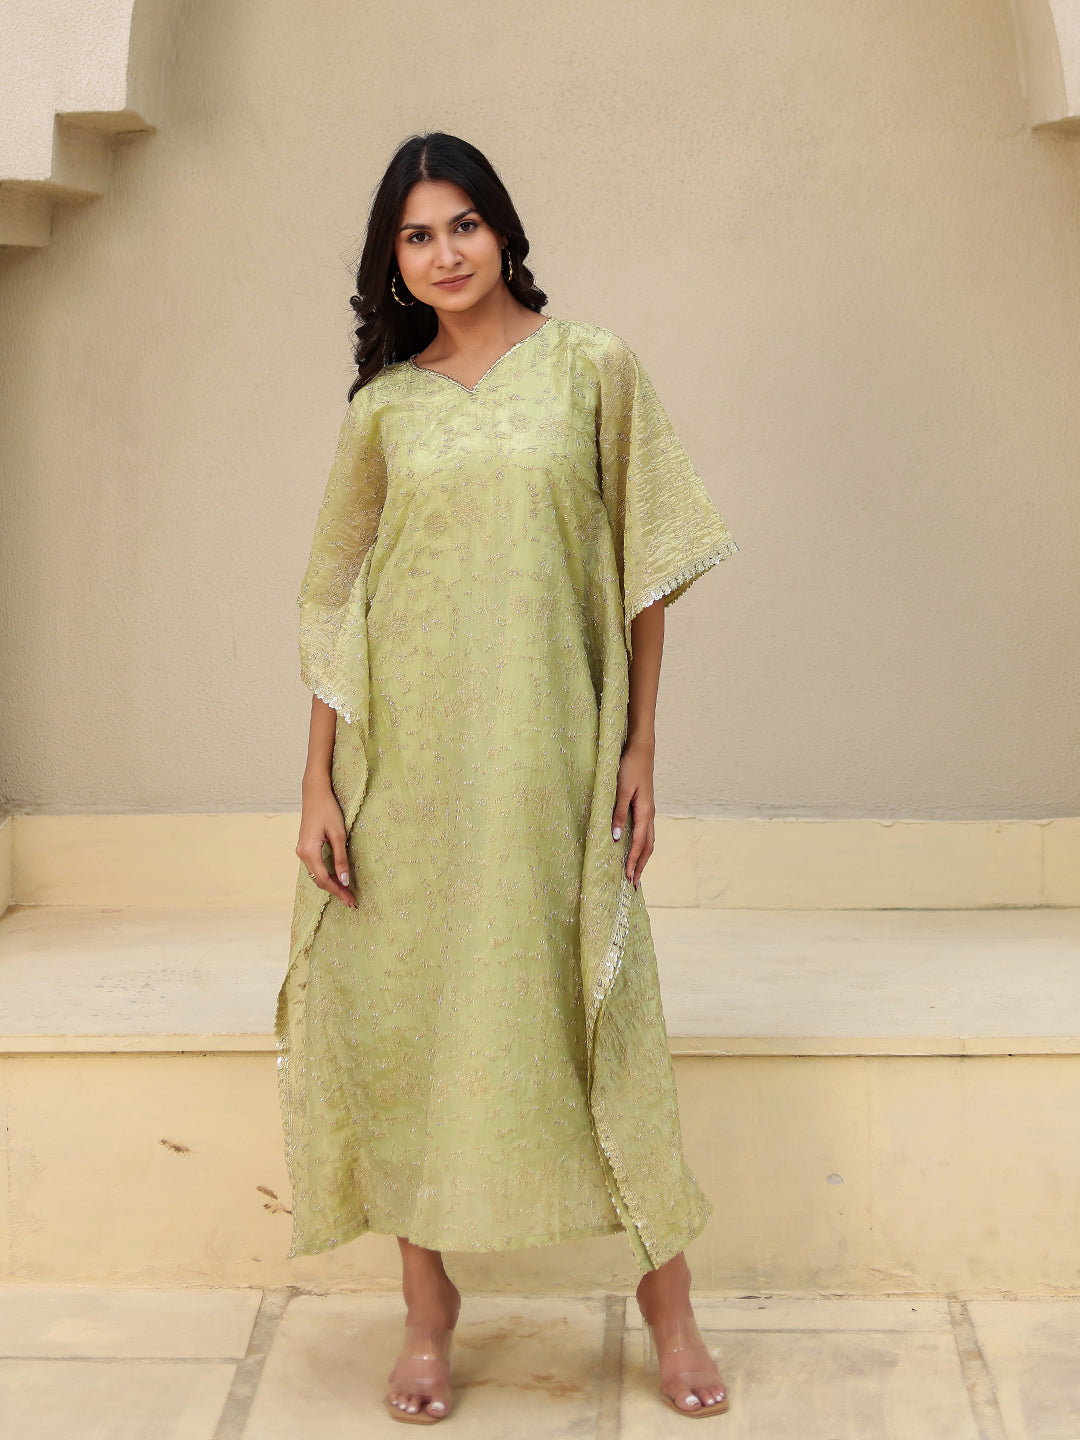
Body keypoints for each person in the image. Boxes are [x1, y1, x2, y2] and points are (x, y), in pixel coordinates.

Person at [278, 131, 740, 1425]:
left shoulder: (593, 368)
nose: (446, 253)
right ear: (393, 260)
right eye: (418, 235)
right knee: (408, 1014)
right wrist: (316, 784)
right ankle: (427, 1311)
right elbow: (335, 601)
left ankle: (671, 1306)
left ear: (503, 229)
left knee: (603, 1008)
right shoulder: (386, 408)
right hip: (407, 771)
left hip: (553, 752)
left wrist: (641, 745)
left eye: (464, 224)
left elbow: (645, 568)